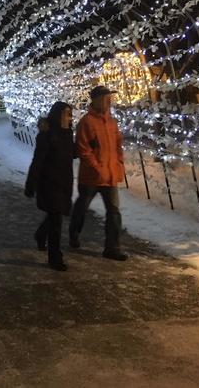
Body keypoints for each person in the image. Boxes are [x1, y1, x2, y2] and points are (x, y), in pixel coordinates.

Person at [69, 85, 127, 261]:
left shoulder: (112, 122)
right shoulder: (86, 122)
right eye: (104, 98)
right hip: (91, 177)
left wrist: (118, 165)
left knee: (114, 212)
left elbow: (117, 146)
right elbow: (83, 149)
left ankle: (112, 248)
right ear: (95, 100)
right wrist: (97, 168)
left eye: (109, 97)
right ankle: (74, 232)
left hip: (109, 176)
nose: (108, 101)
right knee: (82, 207)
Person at [24, 101, 75, 271]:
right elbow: (38, 160)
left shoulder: (68, 133)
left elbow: (72, 153)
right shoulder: (46, 135)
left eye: (70, 113)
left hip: (64, 181)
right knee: (56, 220)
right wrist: (31, 183)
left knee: (56, 215)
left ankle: (40, 234)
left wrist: (89, 146)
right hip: (49, 182)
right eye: (66, 113)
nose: (70, 116)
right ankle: (55, 257)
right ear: (58, 114)